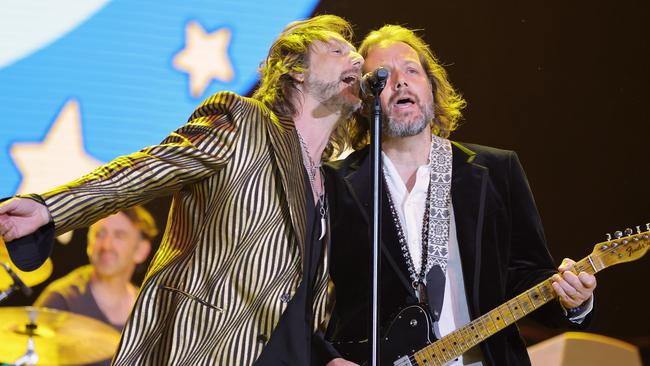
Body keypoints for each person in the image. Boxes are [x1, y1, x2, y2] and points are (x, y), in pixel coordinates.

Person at [0, 14, 363, 365]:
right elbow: (148, 170)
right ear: (296, 70)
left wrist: (326, 358)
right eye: (337, 51)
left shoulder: (327, 185)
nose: (357, 58)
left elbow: (296, 306)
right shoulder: (244, 120)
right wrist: (49, 208)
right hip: (208, 349)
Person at [323, 25, 596, 366]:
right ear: (363, 101)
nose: (400, 82)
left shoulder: (496, 170)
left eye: (411, 70)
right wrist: (328, 358)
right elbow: (311, 298)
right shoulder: (334, 182)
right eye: (382, 75)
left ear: (432, 87)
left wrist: (573, 300)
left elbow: (528, 276)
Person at [34, 206, 157, 365]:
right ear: (88, 243)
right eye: (99, 234)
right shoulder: (62, 299)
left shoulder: (148, 310)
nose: (106, 245)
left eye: (119, 236)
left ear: (141, 250)